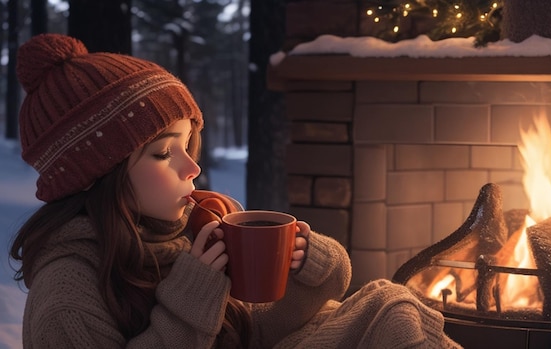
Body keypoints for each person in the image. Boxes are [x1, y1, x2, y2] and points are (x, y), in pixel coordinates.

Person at [10, 33, 461, 348]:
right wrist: (188, 304)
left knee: (389, 305)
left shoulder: (176, 240)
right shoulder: (66, 299)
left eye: (189, 145)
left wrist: (313, 274)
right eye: (164, 154)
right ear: (97, 177)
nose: (194, 167)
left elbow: (250, 336)